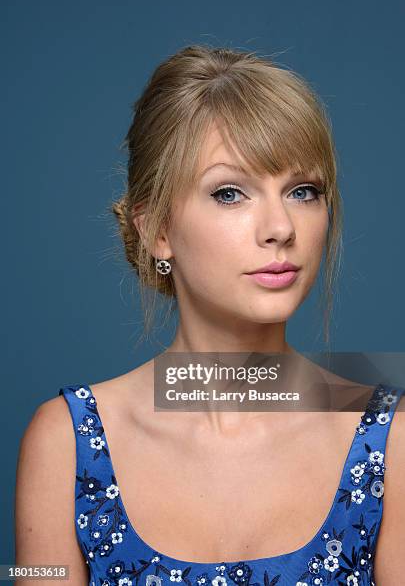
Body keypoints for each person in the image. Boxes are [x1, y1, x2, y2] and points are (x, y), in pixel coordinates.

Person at [15, 44, 405, 585]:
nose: (280, 227)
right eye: (229, 192)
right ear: (156, 229)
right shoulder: (64, 443)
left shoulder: (391, 440)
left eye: (302, 191)